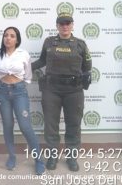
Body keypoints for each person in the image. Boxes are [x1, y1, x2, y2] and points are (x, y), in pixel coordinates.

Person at [32, 12, 92, 172]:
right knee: (51, 124)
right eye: (61, 23)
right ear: (57, 25)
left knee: (74, 124)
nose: (65, 26)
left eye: (68, 23)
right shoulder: (49, 42)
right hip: (52, 90)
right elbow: (42, 61)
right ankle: (53, 155)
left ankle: (71, 157)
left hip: (74, 91)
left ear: (72, 25)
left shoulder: (80, 44)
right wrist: (23, 67)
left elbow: (87, 67)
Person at [0, 26, 45, 175]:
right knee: (8, 125)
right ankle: (12, 157)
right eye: (6, 35)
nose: (8, 38)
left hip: (19, 91)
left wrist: (17, 85)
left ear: (17, 39)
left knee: (25, 126)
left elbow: (28, 76)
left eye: (12, 36)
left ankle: (38, 159)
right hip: (2, 92)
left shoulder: (23, 54)